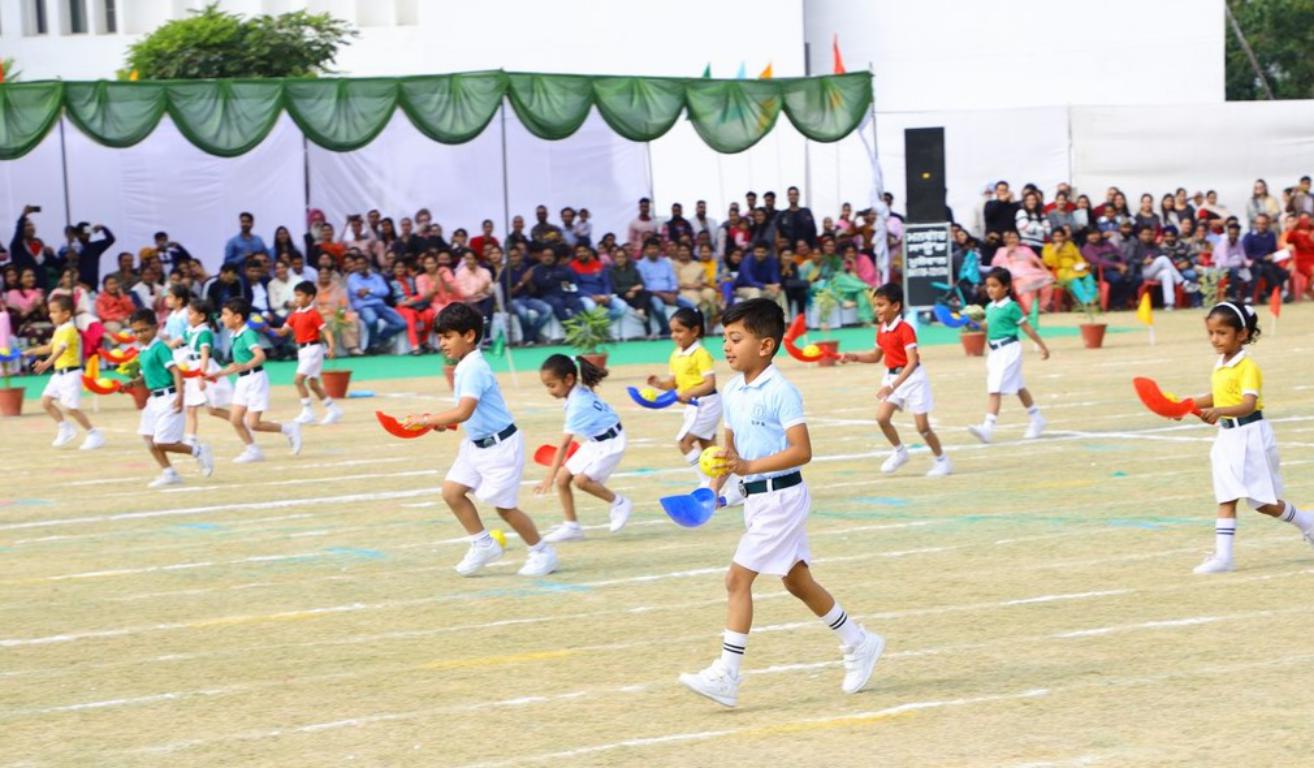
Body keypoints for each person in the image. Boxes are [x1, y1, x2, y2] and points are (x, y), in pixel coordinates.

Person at [678, 298, 884, 708]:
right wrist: (715, 490)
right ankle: (860, 642)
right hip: (759, 499)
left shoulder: (782, 392)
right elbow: (729, 451)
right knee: (796, 580)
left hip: (783, 497)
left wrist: (749, 466)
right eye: (726, 339)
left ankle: (727, 675)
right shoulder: (733, 391)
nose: (728, 347)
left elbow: (802, 450)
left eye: (737, 339)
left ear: (766, 345)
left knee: (737, 580)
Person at [401, 303, 559, 577]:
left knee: (506, 509)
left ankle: (542, 552)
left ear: (469, 335)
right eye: (440, 337)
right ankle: (483, 544)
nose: (441, 344)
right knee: (452, 492)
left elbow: (464, 411)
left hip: (500, 447)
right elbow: (468, 415)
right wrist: (442, 423)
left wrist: (426, 420)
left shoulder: (473, 368)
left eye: (447, 337)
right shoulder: (465, 366)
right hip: (476, 445)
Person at [1191, 302, 1313, 573]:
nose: (1215, 339)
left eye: (1222, 333)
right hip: (1227, 437)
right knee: (1226, 496)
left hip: (1252, 436)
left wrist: (1217, 410)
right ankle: (1224, 557)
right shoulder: (1220, 364)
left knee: (1263, 503)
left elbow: (1248, 404)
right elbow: (1217, 395)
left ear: (1242, 334)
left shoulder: (1248, 367)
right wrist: (1185, 405)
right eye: (1211, 333)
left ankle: (1307, 523)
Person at [841, 283, 952, 477]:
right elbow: (876, 357)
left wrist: (891, 386)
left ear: (896, 306)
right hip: (892, 377)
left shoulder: (905, 329)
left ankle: (942, 460)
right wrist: (855, 357)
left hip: (913, 379)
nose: (877, 309)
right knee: (882, 418)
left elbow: (911, 362)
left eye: (881, 305)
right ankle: (900, 452)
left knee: (922, 427)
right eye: (875, 305)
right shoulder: (882, 329)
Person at [534, 354, 633, 543]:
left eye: (552, 385)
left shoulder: (577, 405)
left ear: (569, 379)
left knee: (581, 481)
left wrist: (548, 478)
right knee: (563, 478)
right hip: (596, 441)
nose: (549, 390)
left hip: (611, 443)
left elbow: (563, 445)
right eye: (546, 385)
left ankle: (620, 502)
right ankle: (572, 527)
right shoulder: (576, 390)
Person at [645, 307, 734, 489]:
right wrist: (659, 384)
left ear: (694, 331)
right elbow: (674, 383)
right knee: (709, 448)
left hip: (706, 404)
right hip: (695, 405)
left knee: (684, 442)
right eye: (672, 331)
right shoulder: (675, 355)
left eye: (679, 331)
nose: (674, 335)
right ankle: (733, 486)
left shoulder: (700, 354)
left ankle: (707, 483)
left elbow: (709, 383)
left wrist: (690, 392)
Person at [125, 308, 215, 487]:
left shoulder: (160, 348)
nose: (140, 334)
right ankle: (169, 472)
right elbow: (145, 376)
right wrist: (131, 384)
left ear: (155, 327)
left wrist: (180, 397)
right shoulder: (143, 351)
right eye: (136, 331)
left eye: (144, 330)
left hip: (169, 396)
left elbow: (176, 372)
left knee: (162, 441)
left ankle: (197, 450)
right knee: (148, 438)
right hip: (154, 400)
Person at [967, 267, 1050, 444]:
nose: (990, 289)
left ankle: (988, 428)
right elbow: (988, 327)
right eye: (988, 285)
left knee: (994, 389)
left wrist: (1041, 345)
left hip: (1009, 349)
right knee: (1018, 386)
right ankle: (1037, 418)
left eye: (994, 285)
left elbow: (1026, 327)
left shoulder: (1012, 307)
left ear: (1006, 287)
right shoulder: (990, 307)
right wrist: (974, 320)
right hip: (994, 352)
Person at [212, 298, 302, 464]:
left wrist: (245, 365)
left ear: (237, 318)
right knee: (235, 419)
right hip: (243, 380)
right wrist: (217, 374)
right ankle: (253, 450)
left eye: (225, 314)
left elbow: (260, 356)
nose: (221, 318)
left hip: (255, 380)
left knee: (254, 424)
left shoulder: (248, 334)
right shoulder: (235, 335)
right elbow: (236, 366)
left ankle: (288, 428)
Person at [23, 295, 105, 450]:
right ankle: (65, 428)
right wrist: (30, 351)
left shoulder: (69, 329)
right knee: (46, 402)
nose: (50, 315)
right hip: (59, 374)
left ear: (66, 313)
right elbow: (50, 348)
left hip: (71, 374)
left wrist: (47, 363)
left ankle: (94, 434)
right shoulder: (60, 329)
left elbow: (60, 350)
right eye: (50, 311)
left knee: (71, 408)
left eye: (54, 312)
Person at [273, 281, 343, 426]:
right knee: (313, 384)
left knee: (298, 380)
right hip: (303, 351)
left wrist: (331, 347)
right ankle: (333, 409)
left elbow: (326, 331)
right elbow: (282, 332)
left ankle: (308, 412)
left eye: (299, 295)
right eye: (295, 295)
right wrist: (264, 328)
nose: (296, 298)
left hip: (313, 350)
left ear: (310, 297)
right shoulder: (294, 315)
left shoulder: (313, 314)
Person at [178, 298, 233, 447]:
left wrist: (201, 376)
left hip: (203, 368)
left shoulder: (204, 333)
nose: (187, 316)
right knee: (192, 406)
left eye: (190, 313)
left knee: (212, 409)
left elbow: (204, 356)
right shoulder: (190, 330)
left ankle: (242, 421)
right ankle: (190, 438)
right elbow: (176, 342)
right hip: (191, 368)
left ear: (201, 316)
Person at [347, 257, 406, 352]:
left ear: (367, 265)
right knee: (372, 320)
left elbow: (385, 291)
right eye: (358, 264)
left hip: (380, 305)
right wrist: (375, 292)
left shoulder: (377, 277)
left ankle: (377, 340)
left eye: (362, 263)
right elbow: (360, 292)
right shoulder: (352, 278)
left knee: (401, 323)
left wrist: (369, 291)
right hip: (364, 306)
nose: (360, 266)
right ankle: (374, 346)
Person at [990, 230, 1053, 315]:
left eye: (1014, 237)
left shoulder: (1026, 249)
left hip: (1031, 271)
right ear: (1005, 240)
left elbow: (1037, 261)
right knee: (1026, 282)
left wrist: (1046, 271)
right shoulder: (1001, 250)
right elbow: (995, 264)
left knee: (1047, 281)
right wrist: (1007, 253)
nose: (1012, 240)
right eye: (1009, 238)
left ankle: (1041, 307)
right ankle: (1029, 309)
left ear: (1019, 239)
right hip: (1014, 275)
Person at [610, 247, 666, 338]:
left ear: (626, 258)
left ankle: (641, 311)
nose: (620, 259)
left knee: (647, 294)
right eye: (618, 257)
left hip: (636, 294)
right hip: (622, 295)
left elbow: (641, 284)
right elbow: (615, 288)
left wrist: (634, 290)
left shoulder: (633, 269)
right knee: (644, 302)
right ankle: (648, 330)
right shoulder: (611, 271)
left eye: (622, 257)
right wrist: (631, 289)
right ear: (614, 258)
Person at [569, 245, 626, 322]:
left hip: (603, 296)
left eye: (584, 251)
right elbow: (575, 287)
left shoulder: (599, 265)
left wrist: (607, 295)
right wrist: (591, 296)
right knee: (591, 307)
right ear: (575, 254)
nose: (581, 253)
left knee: (622, 307)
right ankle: (600, 325)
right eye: (578, 252)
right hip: (586, 297)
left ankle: (602, 322)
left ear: (589, 252)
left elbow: (607, 283)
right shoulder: (572, 267)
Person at [389, 261, 436, 354]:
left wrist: (412, 300)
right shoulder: (389, 282)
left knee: (430, 313)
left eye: (402, 267)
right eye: (397, 267)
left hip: (415, 304)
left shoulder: (411, 280)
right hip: (400, 306)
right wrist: (403, 303)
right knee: (411, 315)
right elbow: (389, 299)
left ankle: (423, 341)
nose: (400, 269)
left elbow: (419, 294)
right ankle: (415, 346)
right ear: (393, 269)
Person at [313, 268, 362, 356]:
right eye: (321, 274)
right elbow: (311, 304)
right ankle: (327, 348)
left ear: (330, 276)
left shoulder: (336, 287)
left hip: (335, 312)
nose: (324, 276)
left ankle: (352, 347)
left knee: (352, 318)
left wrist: (341, 312)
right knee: (326, 321)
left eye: (326, 274)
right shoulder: (313, 288)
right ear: (318, 276)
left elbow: (343, 304)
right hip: (319, 313)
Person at [1081, 228, 1134, 309]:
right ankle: (1116, 303)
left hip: (1118, 267)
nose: (1094, 236)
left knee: (1137, 278)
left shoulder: (1106, 243)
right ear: (1086, 236)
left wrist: (1123, 264)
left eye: (1096, 234)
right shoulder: (1087, 248)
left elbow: (1119, 253)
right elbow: (1097, 261)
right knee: (1117, 279)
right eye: (1090, 235)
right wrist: (1117, 266)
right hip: (1102, 271)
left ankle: (1121, 300)